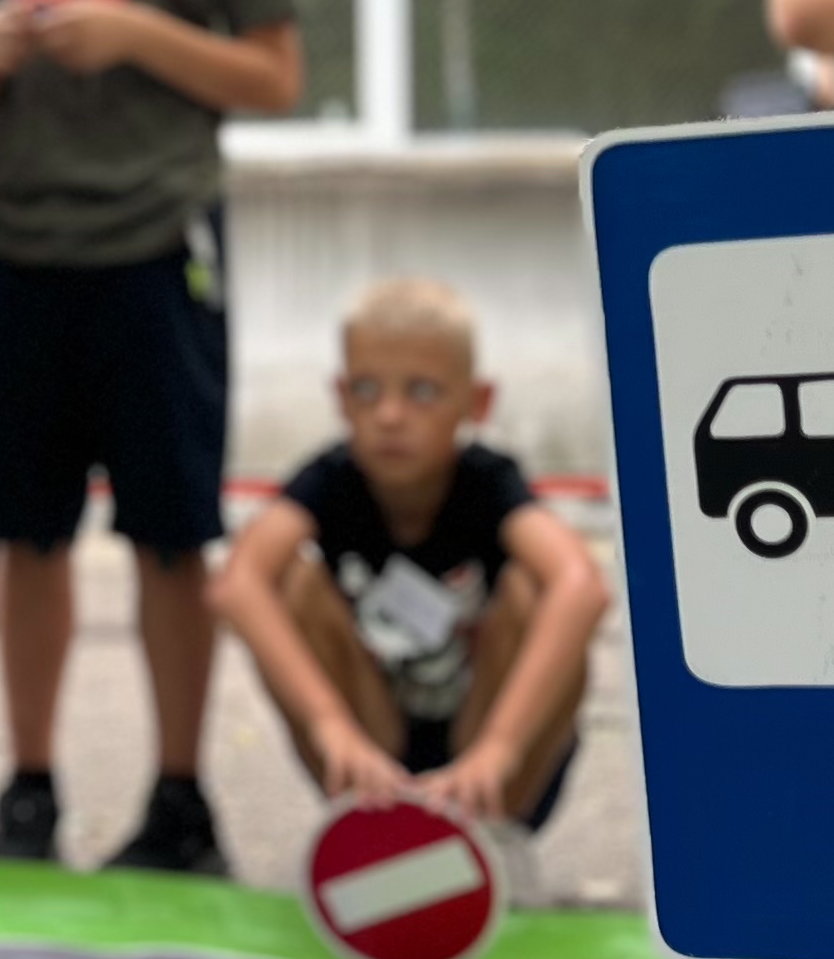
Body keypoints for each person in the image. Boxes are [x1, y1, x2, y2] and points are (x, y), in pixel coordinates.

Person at [0, 0, 300, 876]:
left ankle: (179, 799)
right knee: (25, 533)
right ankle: (28, 791)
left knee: (169, 531)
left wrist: (137, 33)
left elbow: (274, 75)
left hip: (159, 250)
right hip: (20, 248)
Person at [211, 280, 608, 840]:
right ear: (341, 397)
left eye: (422, 391)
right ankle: (368, 817)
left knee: (534, 591)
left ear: (476, 402)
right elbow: (238, 584)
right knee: (293, 583)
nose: (390, 415)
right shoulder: (331, 480)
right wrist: (330, 724)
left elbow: (582, 586)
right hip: (375, 747)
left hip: (491, 755)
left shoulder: (488, 482)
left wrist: (498, 748)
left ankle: (494, 830)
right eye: (367, 389)